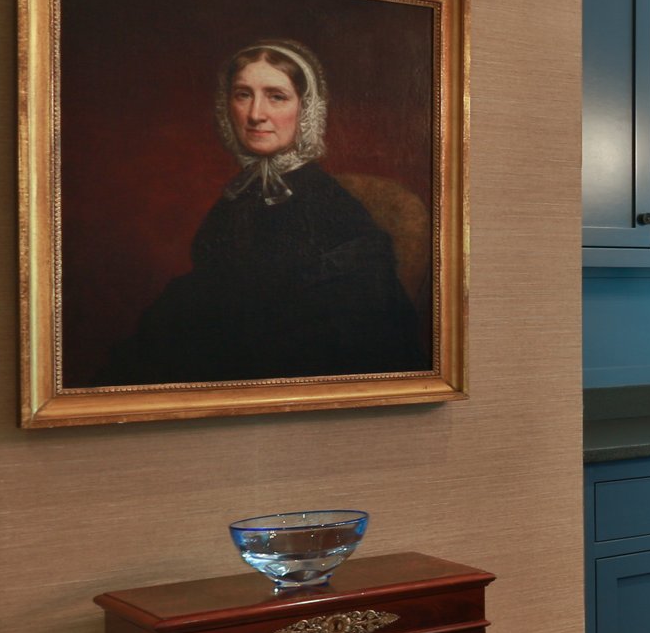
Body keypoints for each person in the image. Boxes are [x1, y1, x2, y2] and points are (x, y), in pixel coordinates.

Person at [103, 40, 429, 385]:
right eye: (243, 94)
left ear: (306, 110)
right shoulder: (242, 193)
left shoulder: (331, 209)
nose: (256, 113)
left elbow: (348, 340)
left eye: (276, 96)